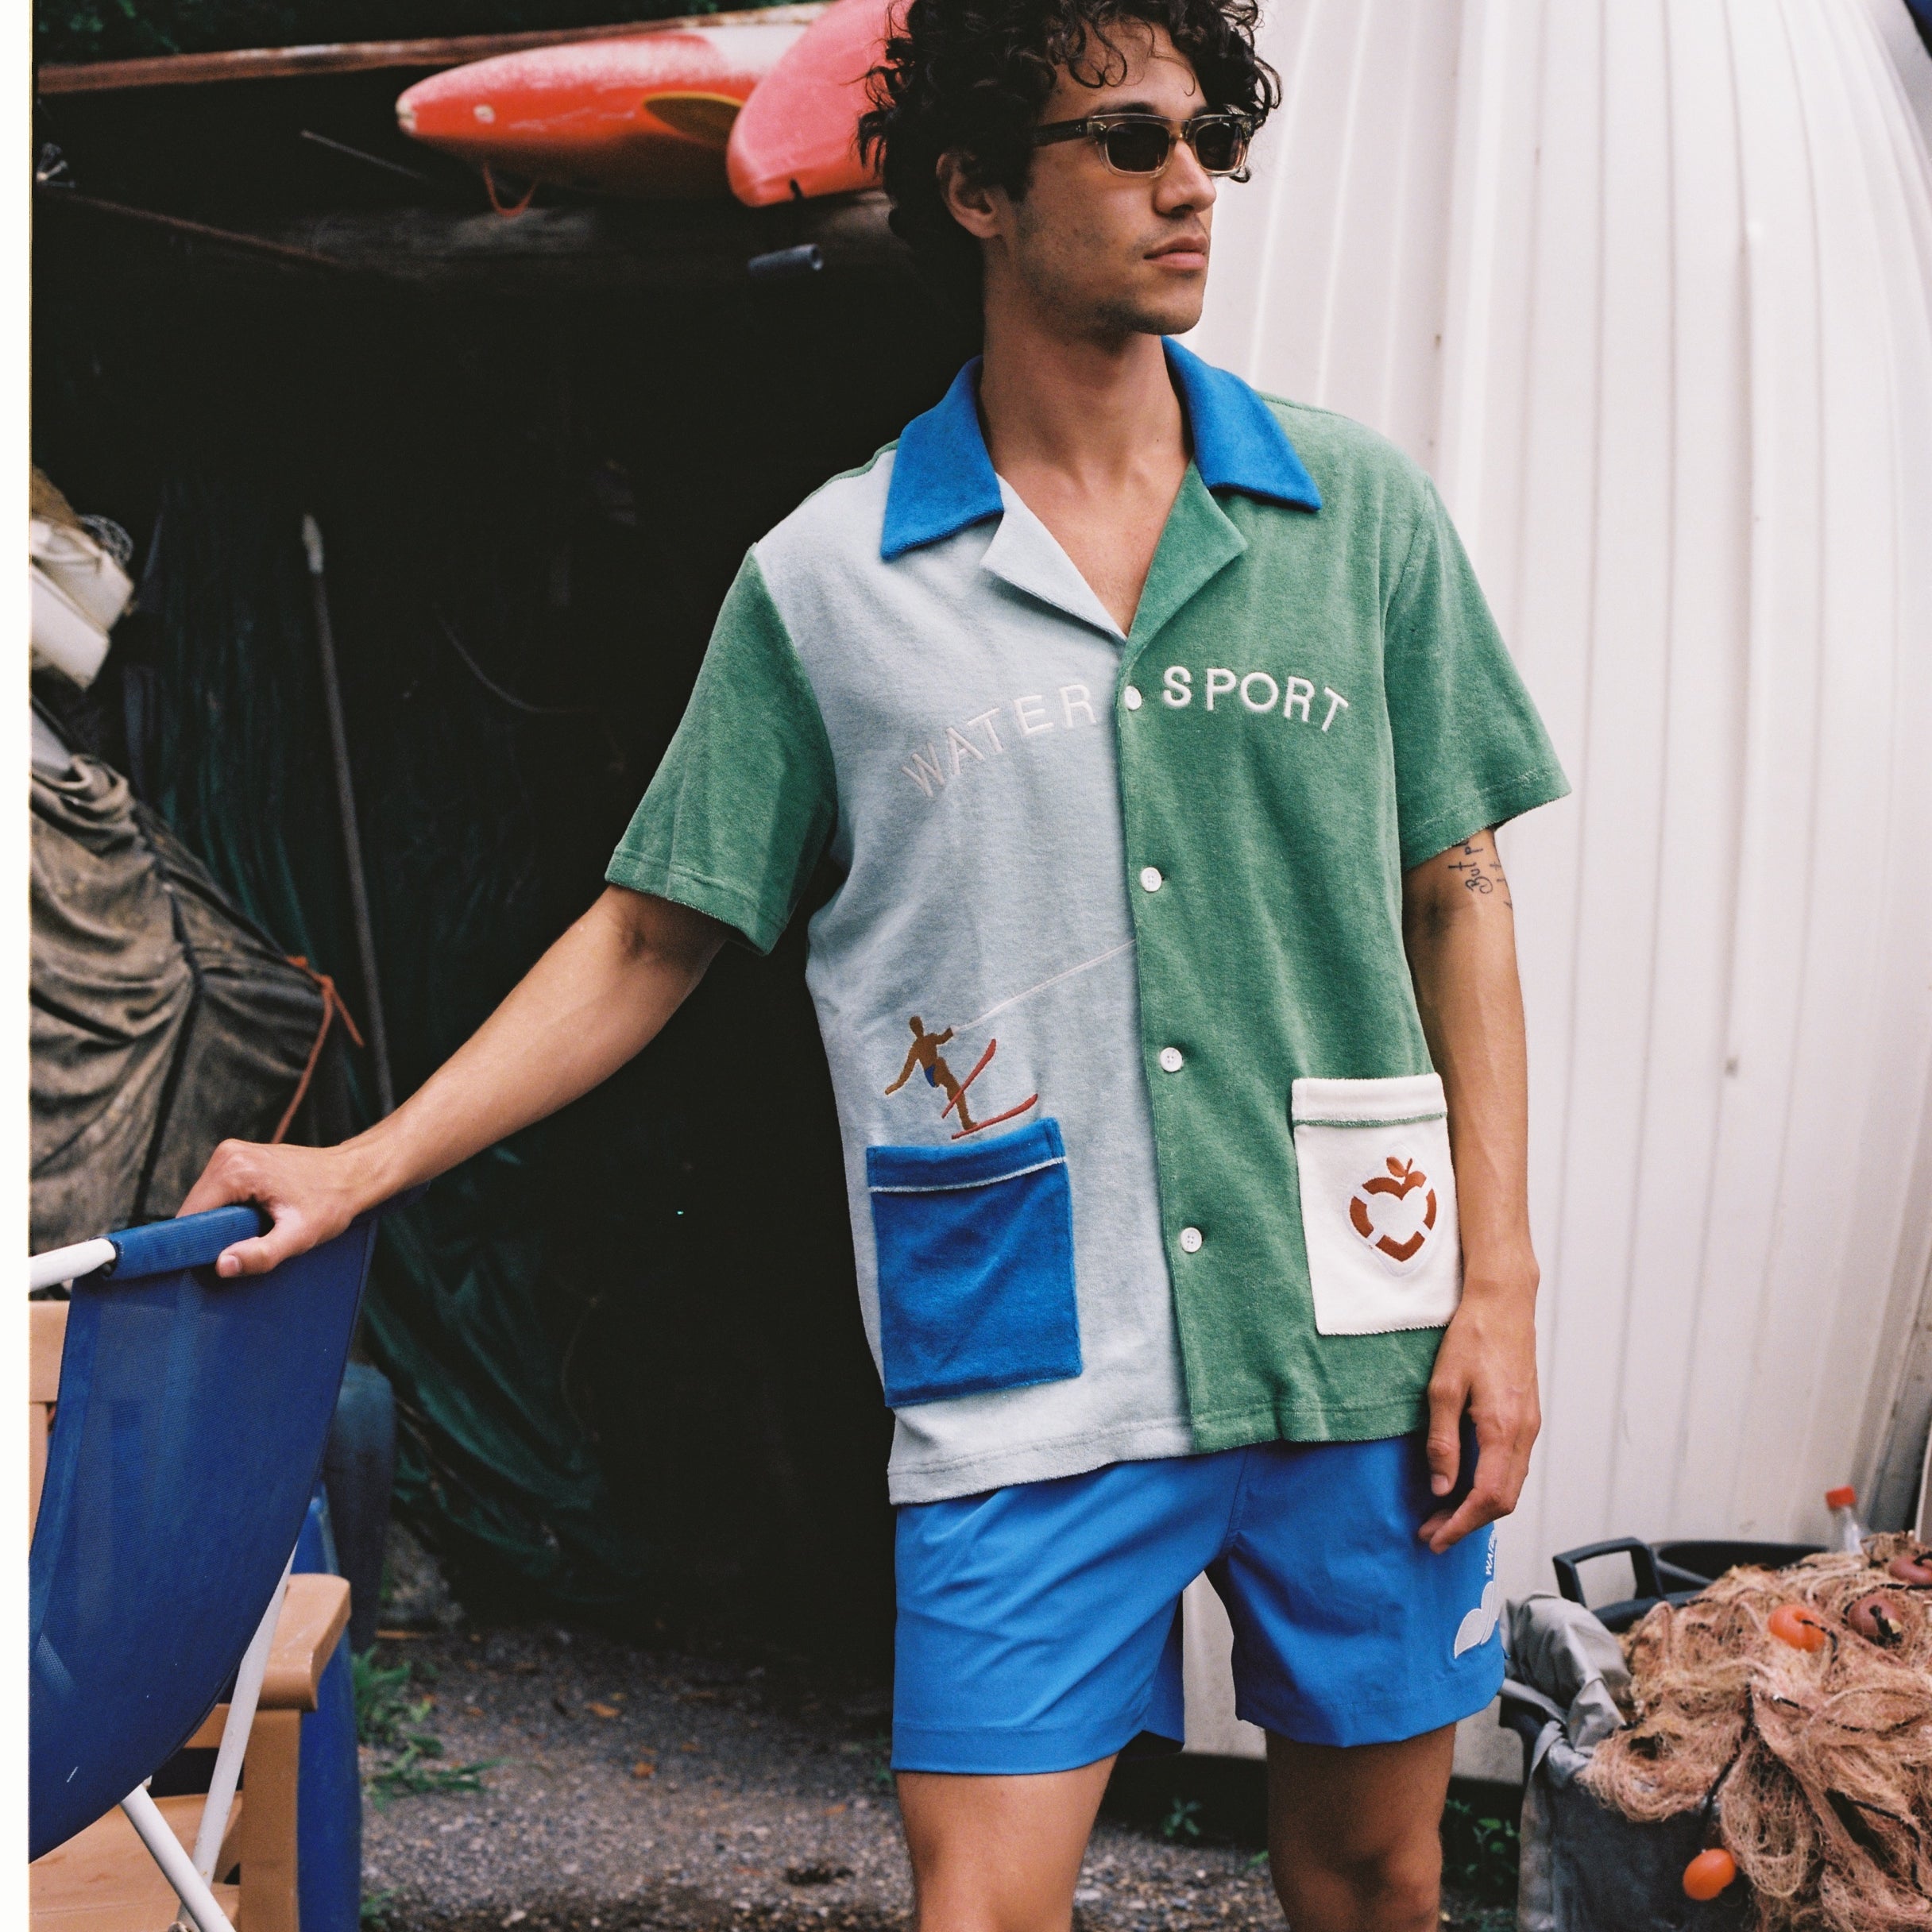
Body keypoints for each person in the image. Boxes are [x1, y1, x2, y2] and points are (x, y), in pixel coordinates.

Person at [183, 0, 1570, 1925]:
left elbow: (1458, 889)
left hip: (1353, 1325)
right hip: (1028, 1358)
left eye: (1206, 136)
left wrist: (1495, 1285)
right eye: (1126, 141)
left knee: (1374, 1872)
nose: (1192, 184)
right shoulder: (831, 582)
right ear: (978, 191)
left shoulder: (1357, 517)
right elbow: (654, 928)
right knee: (977, 1904)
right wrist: (363, 1162)